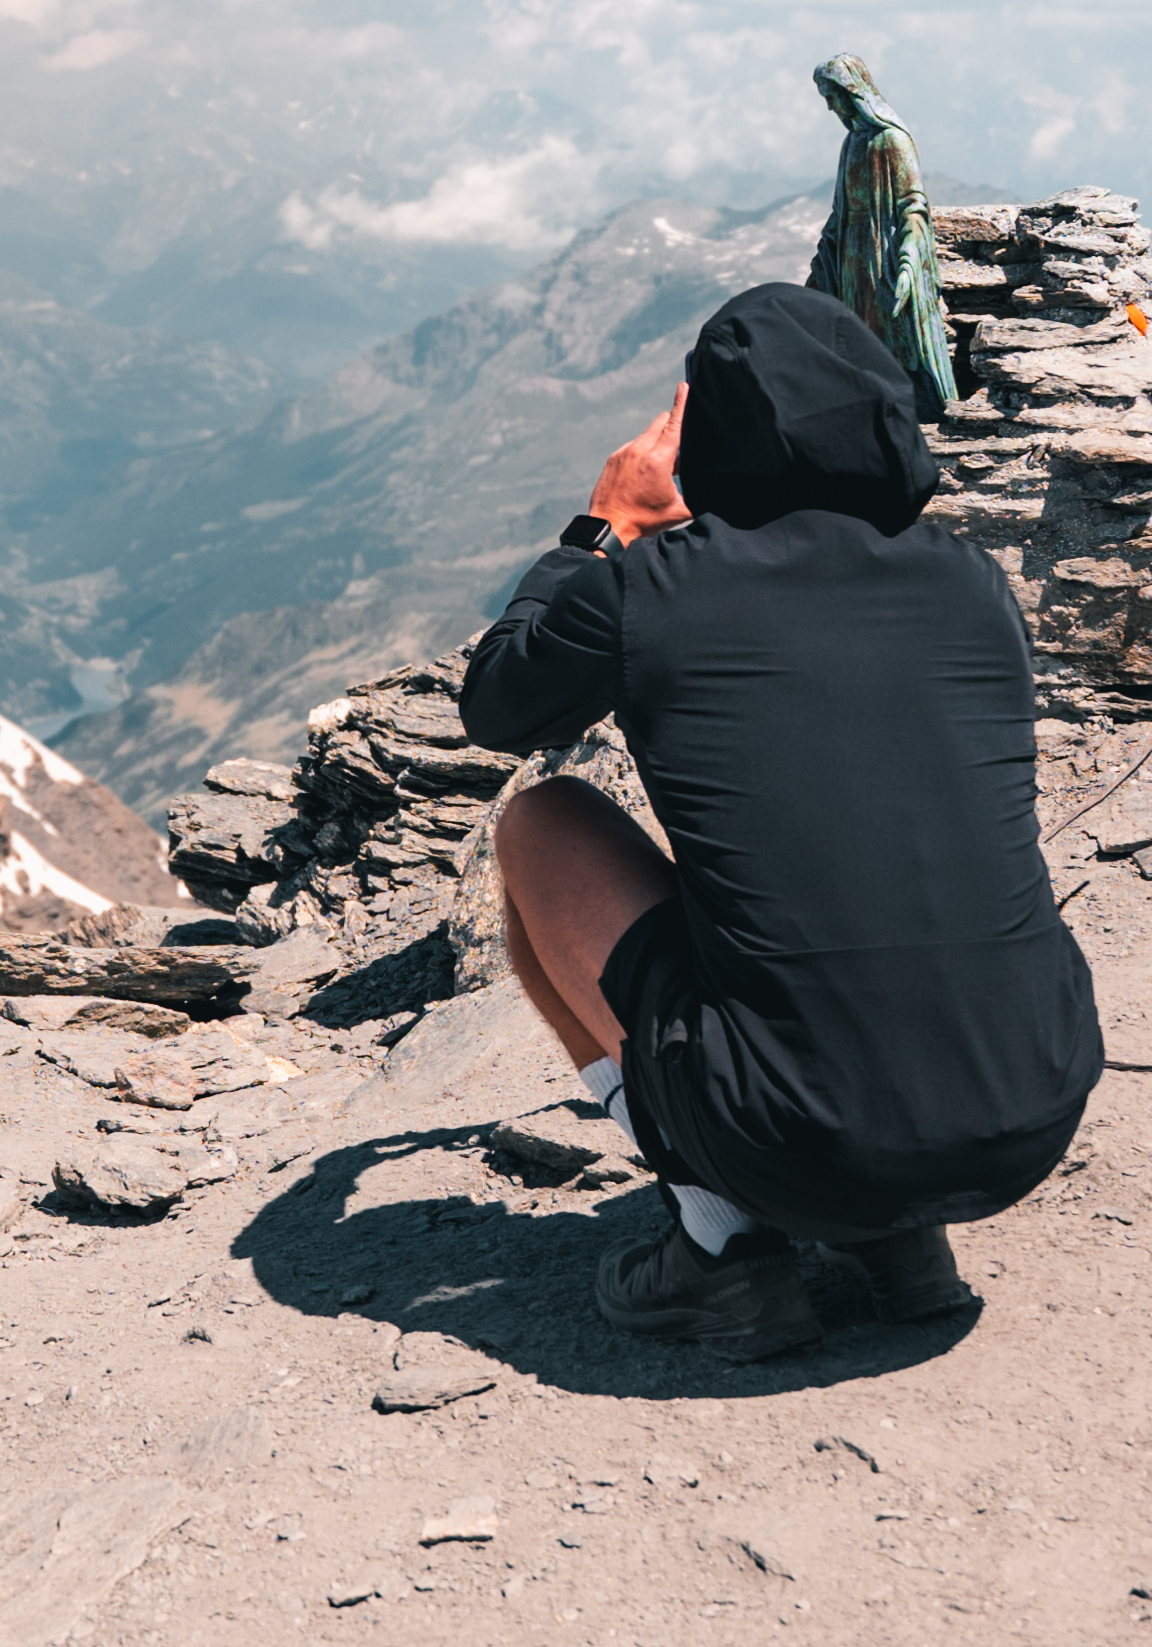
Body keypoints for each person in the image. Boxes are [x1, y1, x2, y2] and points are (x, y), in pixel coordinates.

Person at [459, 275, 1100, 1356]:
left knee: (540, 823)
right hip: (1030, 1104)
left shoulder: (649, 592)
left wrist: (601, 528)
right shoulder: (968, 583)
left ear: (709, 436)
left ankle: (722, 1244)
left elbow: (496, 709)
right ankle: (895, 1238)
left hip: (803, 1138)